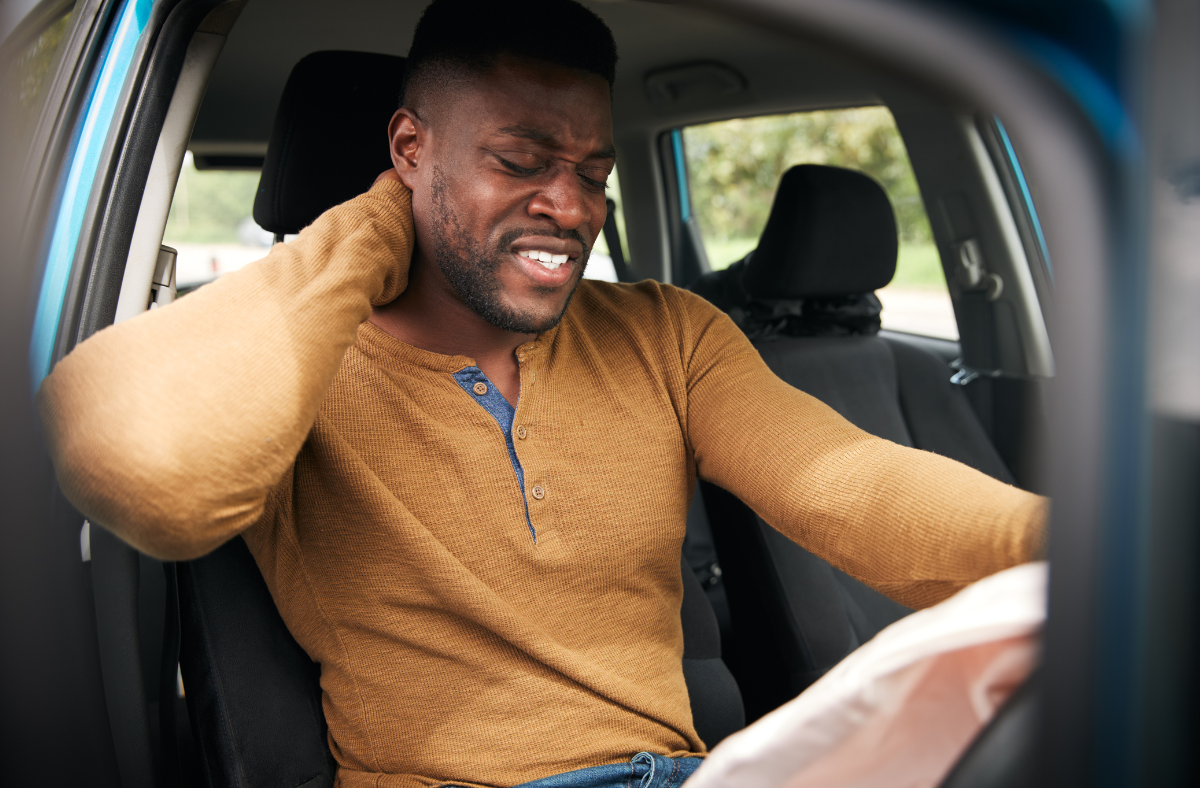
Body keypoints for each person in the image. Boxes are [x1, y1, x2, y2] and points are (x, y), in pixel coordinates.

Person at [36, 1, 1047, 786]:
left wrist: (1084, 552)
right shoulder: (280, 361)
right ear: (407, 152)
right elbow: (144, 469)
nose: (568, 207)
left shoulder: (666, 331)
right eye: (520, 161)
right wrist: (369, 234)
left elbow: (850, 482)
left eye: (592, 171)